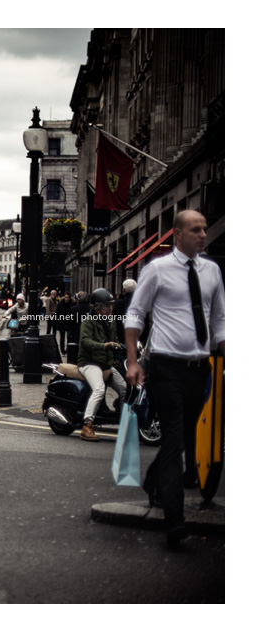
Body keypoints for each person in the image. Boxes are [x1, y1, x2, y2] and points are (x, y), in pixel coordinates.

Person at [125, 209, 225, 548]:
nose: (203, 235)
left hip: (200, 368)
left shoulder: (212, 271)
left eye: (205, 229)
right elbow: (135, 313)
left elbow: (220, 318)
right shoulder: (157, 270)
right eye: (195, 229)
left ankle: (153, 482)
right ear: (177, 234)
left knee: (181, 437)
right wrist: (133, 361)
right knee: (173, 437)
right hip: (166, 367)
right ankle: (175, 522)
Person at [77, 288, 127, 442]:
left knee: (125, 389)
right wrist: (105, 345)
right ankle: (87, 425)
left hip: (105, 363)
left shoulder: (111, 321)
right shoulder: (88, 321)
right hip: (89, 362)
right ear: (97, 307)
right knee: (99, 389)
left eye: (111, 305)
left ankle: (125, 424)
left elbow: (115, 339)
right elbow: (85, 341)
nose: (111, 308)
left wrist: (122, 346)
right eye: (107, 306)